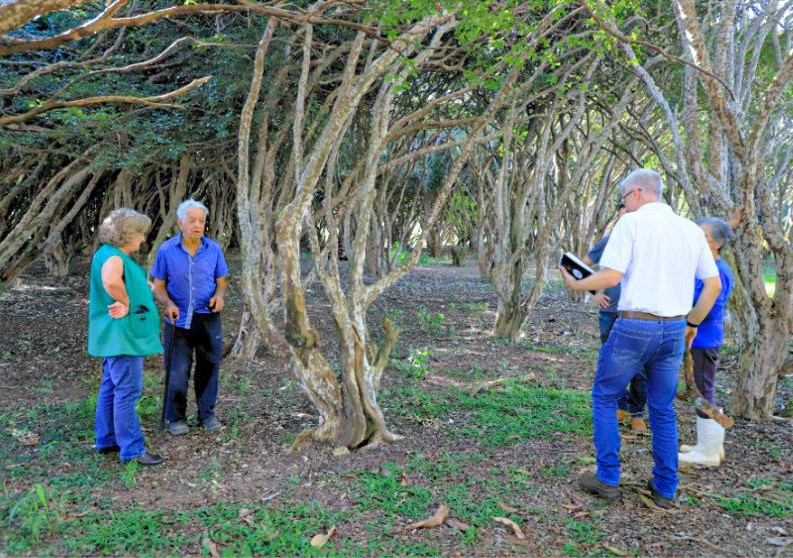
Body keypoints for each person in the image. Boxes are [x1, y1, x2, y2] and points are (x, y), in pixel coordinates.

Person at [559, 169, 721, 508]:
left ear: (635, 193)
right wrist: (692, 322)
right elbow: (713, 285)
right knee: (662, 409)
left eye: (624, 199)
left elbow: (612, 275)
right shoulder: (691, 230)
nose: (625, 205)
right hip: (675, 328)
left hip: (635, 326)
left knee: (604, 397)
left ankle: (607, 479)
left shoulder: (630, 224)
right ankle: (665, 487)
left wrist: (576, 283)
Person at [88, 209, 165, 466]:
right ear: (127, 235)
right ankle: (132, 450)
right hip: (123, 337)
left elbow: (132, 282)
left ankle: (106, 439)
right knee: (128, 391)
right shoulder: (114, 258)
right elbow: (111, 282)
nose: (143, 239)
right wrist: (126, 301)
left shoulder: (107, 253)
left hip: (113, 335)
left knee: (111, 386)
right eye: (140, 234)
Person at [152, 199, 229, 436]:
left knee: (209, 367)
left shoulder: (213, 249)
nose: (198, 225)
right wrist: (168, 303)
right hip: (178, 319)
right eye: (192, 220)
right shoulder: (166, 250)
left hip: (208, 318)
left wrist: (219, 296)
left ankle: (207, 414)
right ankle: (176, 418)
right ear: (180, 223)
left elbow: (221, 282)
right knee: (177, 369)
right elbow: (158, 286)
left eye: (201, 221)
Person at [584, 203, 648, 433]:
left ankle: (637, 412)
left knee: (639, 364)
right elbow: (579, 265)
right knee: (614, 361)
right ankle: (620, 405)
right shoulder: (609, 241)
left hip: (639, 313)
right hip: (610, 312)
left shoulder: (649, 241)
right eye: (623, 216)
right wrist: (594, 291)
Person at [679, 217, 734, 467]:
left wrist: (690, 318)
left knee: (703, 391)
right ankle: (707, 445)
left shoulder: (719, 270)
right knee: (702, 389)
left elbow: (711, 308)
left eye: (702, 235)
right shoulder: (706, 267)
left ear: (716, 243)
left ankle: (709, 452)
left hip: (703, 338)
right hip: (699, 337)